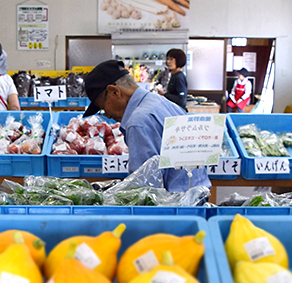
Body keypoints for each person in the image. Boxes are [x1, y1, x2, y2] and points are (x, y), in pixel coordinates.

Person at [84, 60, 210, 193]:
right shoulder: (162, 102)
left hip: (174, 208)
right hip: (197, 198)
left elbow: (145, 190)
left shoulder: (138, 122)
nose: (107, 115)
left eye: (103, 108)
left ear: (114, 92)